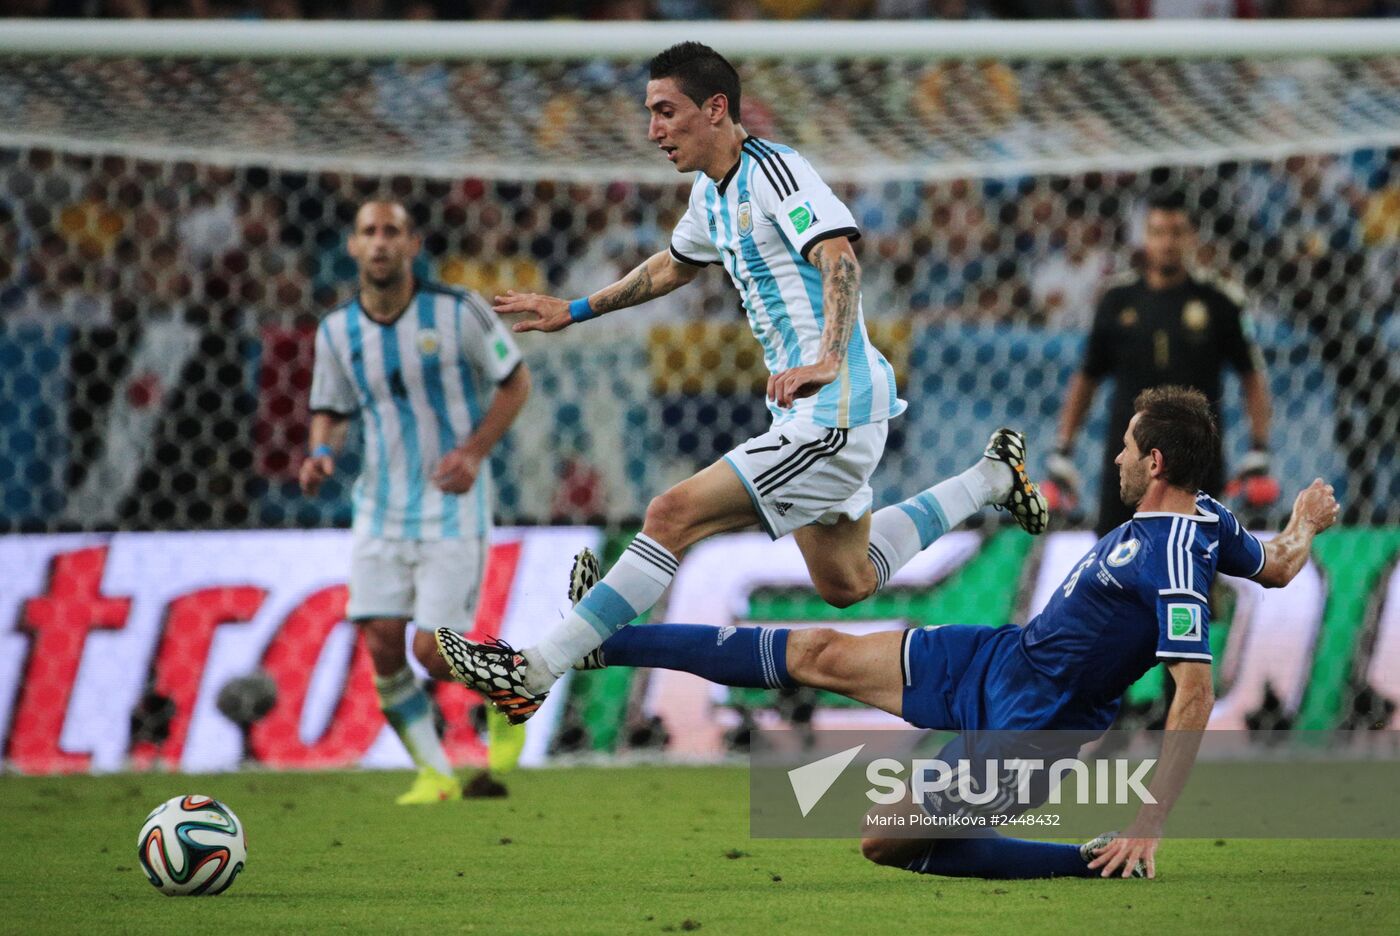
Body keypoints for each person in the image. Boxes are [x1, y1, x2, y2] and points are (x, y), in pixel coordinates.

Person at [436, 42, 1048, 722]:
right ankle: (990, 480)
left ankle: (532, 669)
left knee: (670, 515)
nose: (653, 131)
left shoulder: (778, 173)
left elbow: (839, 259)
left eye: (666, 112)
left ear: (716, 108)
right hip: (816, 411)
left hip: (832, 406)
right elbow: (673, 265)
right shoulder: (710, 194)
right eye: (651, 114)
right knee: (847, 579)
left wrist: (824, 358)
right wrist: (574, 310)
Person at [561, 387, 1339, 879]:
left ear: (1156, 460)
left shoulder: (1176, 554)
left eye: (1129, 447)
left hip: (1040, 723)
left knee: (881, 839)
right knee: (815, 651)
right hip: (1001, 657)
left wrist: (1148, 821)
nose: (1117, 456)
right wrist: (1304, 524)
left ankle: (1097, 861)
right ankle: (605, 640)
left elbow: (1194, 694)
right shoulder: (1206, 521)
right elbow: (1273, 565)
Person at [301, 200, 531, 803]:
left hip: (451, 504)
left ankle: (510, 691)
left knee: (432, 650)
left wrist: (475, 452)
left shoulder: (458, 312)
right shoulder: (335, 331)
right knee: (380, 641)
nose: (379, 242)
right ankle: (434, 773)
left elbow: (515, 381)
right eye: (368, 232)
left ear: (413, 244)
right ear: (352, 247)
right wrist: (321, 452)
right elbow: (330, 409)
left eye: (391, 232)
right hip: (378, 506)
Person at [1047, 192, 1274, 537]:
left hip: (1196, 459)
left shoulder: (1219, 301)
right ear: (1145, 238)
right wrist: (1063, 448)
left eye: (1176, 232)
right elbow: (1087, 378)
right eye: (1158, 232)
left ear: (1191, 237)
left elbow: (1252, 375)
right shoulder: (1116, 300)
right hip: (1130, 459)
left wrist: (1259, 448)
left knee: (1198, 562)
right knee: (1117, 559)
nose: (1167, 242)